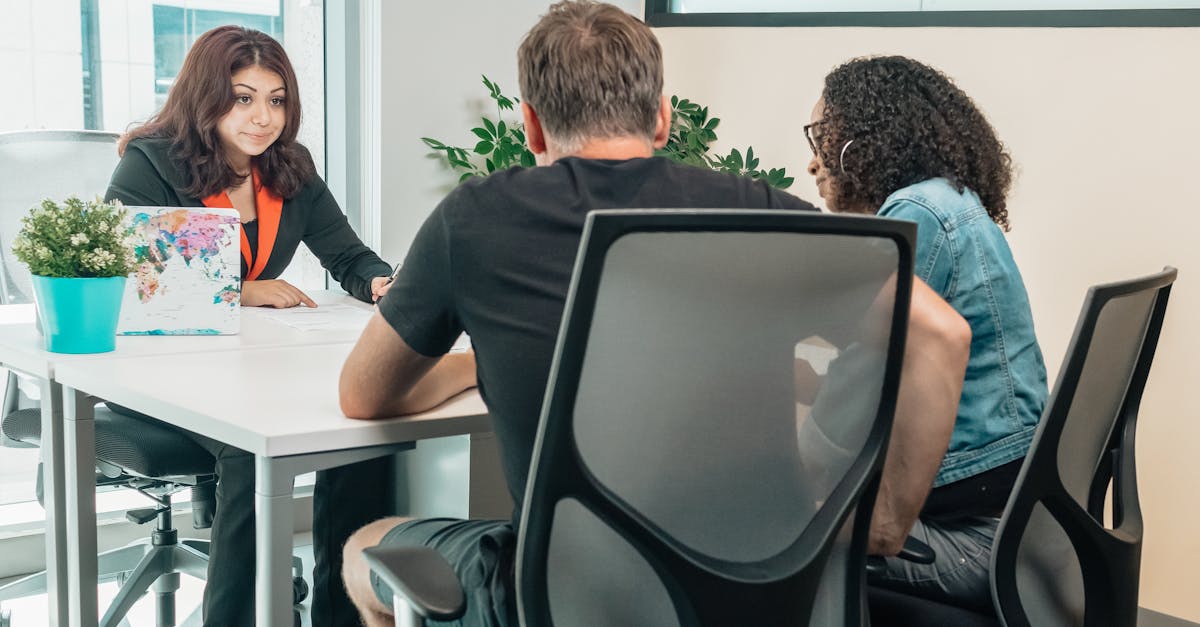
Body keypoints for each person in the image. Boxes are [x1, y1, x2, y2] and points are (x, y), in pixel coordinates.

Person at [337, 4, 971, 626]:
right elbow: (939, 333)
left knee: (367, 548)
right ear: (663, 120)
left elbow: (364, 396)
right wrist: (884, 525)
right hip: (766, 595)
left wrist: (472, 365)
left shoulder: (474, 218)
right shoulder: (758, 211)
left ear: (530, 126)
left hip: (569, 600)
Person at [105, 25, 395, 627]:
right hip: (156, 374)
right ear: (207, 97)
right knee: (247, 449)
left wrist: (382, 283)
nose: (263, 117)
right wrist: (241, 291)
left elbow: (346, 255)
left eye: (276, 99)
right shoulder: (152, 163)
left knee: (361, 440)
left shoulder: (288, 165)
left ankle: (343, 616)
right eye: (243, 98)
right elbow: (131, 282)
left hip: (249, 367)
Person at [805, 55, 1049, 611]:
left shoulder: (921, 213)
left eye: (822, 137)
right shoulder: (949, 201)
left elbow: (854, 403)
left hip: (978, 537)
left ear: (864, 139)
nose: (813, 163)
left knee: (761, 521)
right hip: (1015, 514)